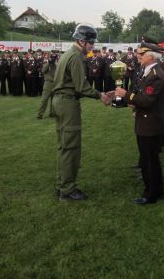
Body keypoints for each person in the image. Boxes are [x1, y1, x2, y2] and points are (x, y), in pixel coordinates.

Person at [51, 24, 111, 201]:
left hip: (61, 102)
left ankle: (61, 185)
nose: (92, 46)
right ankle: (67, 189)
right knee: (71, 147)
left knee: (64, 146)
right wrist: (100, 96)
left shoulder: (68, 54)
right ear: (81, 41)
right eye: (90, 43)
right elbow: (81, 87)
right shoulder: (75, 56)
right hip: (67, 103)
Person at [114, 42, 164, 205]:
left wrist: (126, 94)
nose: (138, 56)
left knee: (148, 162)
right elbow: (142, 96)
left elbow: (145, 100)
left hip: (150, 124)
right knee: (151, 161)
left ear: (150, 56)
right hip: (147, 122)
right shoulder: (150, 71)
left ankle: (150, 195)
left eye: (141, 54)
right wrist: (130, 100)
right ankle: (157, 190)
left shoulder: (155, 75)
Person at [37, 51, 57, 119]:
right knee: (44, 99)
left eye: (49, 55)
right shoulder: (45, 63)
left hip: (55, 83)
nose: (48, 56)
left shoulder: (55, 65)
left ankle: (52, 113)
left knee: (54, 100)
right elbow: (43, 70)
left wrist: (54, 62)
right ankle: (40, 114)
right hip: (48, 83)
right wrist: (49, 62)